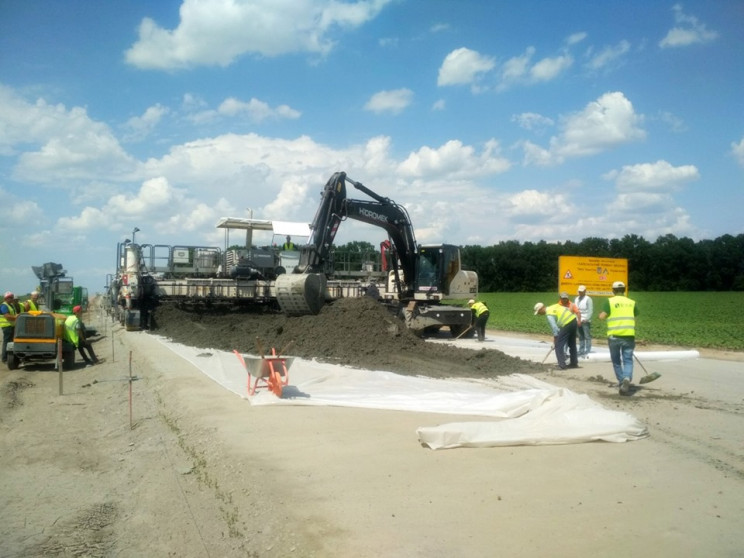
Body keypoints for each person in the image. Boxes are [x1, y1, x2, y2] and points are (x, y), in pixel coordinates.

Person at [599, 281, 639, 396]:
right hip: (629, 335)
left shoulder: (610, 301)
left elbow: (602, 317)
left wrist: (599, 314)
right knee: (628, 360)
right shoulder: (632, 302)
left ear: (613, 290)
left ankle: (622, 381)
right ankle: (627, 377)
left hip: (614, 336)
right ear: (624, 290)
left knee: (616, 361)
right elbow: (635, 317)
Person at [534, 300, 579, 370]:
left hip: (567, 323)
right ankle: (574, 363)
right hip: (573, 320)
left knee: (558, 346)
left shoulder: (549, 314)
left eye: (539, 312)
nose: (539, 314)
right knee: (572, 344)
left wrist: (556, 339)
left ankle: (562, 365)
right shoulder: (554, 306)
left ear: (541, 309)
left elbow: (554, 328)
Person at [574, 285, 593, 357]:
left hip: (585, 320)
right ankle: (581, 350)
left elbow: (590, 310)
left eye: (582, 291)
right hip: (577, 319)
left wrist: (587, 319)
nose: (580, 293)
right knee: (580, 336)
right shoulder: (576, 299)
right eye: (579, 291)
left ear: (585, 291)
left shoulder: (588, 299)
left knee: (587, 336)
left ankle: (587, 350)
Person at [1, 291, 18, 364]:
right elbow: (7, 316)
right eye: (11, 298)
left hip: (11, 326)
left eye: (12, 297)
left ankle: (10, 357)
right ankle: (4, 358)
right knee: (7, 342)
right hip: (7, 326)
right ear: (6, 298)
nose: (12, 299)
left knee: (11, 342)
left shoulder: (11, 305)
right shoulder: (4, 306)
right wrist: (16, 317)